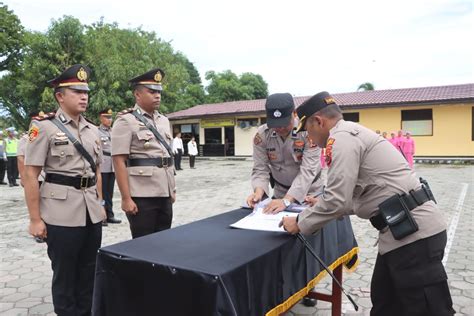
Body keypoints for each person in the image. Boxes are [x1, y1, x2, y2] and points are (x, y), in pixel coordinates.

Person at [281, 91, 454, 316]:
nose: (310, 139)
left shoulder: (341, 138)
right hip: (400, 234)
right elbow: (364, 195)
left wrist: (299, 222)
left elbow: (337, 201)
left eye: (308, 131)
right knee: (385, 305)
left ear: (318, 121)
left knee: (427, 310)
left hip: (414, 238)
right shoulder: (350, 133)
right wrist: (322, 201)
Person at [23, 64, 105, 316]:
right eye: (77, 91)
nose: (84, 97)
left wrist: (101, 205)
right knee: (65, 275)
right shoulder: (44, 127)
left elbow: (97, 172)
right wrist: (35, 220)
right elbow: (30, 175)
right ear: (60, 96)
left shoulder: (92, 130)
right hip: (60, 213)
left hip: (91, 212)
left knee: (89, 271)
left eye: (86, 92)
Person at [111, 68, 176, 239]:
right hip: (141, 195)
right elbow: (119, 161)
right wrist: (126, 198)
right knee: (143, 244)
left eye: (159, 92)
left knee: (164, 240)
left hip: (164, 192)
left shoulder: (163, 120)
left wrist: (172, 189)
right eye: (152, 91)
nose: (158, 96)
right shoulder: (126, 120)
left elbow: (167, 157)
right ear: (137, 95)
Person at [247, 92, 324, 214]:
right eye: (276, 125)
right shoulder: (262, 135)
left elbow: (308, 170)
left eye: (284, 123)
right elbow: (260, 168)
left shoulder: (307, 131)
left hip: (310, 193)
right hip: (280, 193)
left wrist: (287, 201)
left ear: (294, 113)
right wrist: (258, 192)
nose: (280, 129)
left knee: (310, 228)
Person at [98, 108, 121, 225]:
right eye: (107, 117)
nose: (109, 119)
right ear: (101, 118)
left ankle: (110, 214)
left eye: (111, 117)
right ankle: (101, 216)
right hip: (102, 164)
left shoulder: (113, 132)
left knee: (110, 192)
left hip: (112, 165)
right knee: (101, 192)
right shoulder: (97, 132)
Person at [17, 110, 46, 187]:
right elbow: (21, 158)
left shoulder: (49, 136)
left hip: (50, 179)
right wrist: (23, 178)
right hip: (36, 178)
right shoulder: (26, 138)